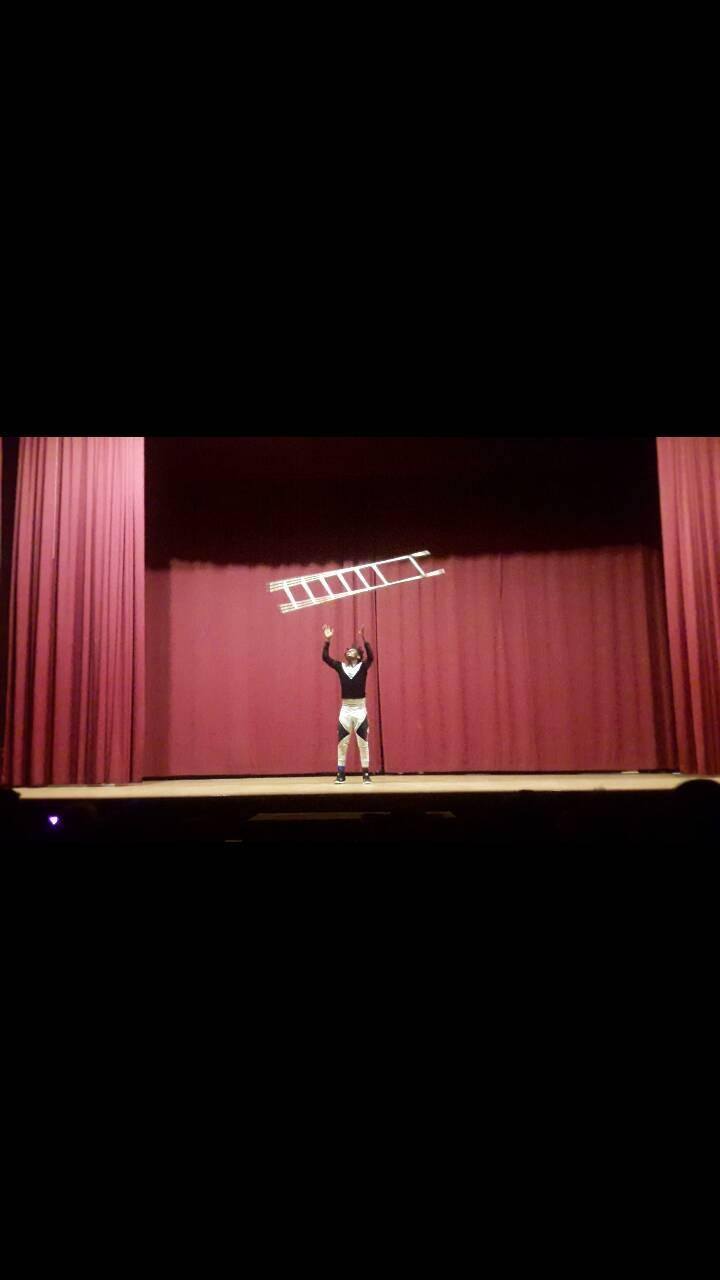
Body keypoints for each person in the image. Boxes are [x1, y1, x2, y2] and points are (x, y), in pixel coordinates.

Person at [322, 622, 374, 784]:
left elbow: (371, 657)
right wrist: (327, 640)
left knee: (363, 743)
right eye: (347, 650)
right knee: (342, 743)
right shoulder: (340, 666)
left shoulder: (363, 666)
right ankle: (341, 774)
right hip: (345, 710)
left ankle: (366, 774)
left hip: (360, 710)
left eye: (352, 650)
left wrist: (365, 640)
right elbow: (325, 658)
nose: (348, 651)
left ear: (358, 656)